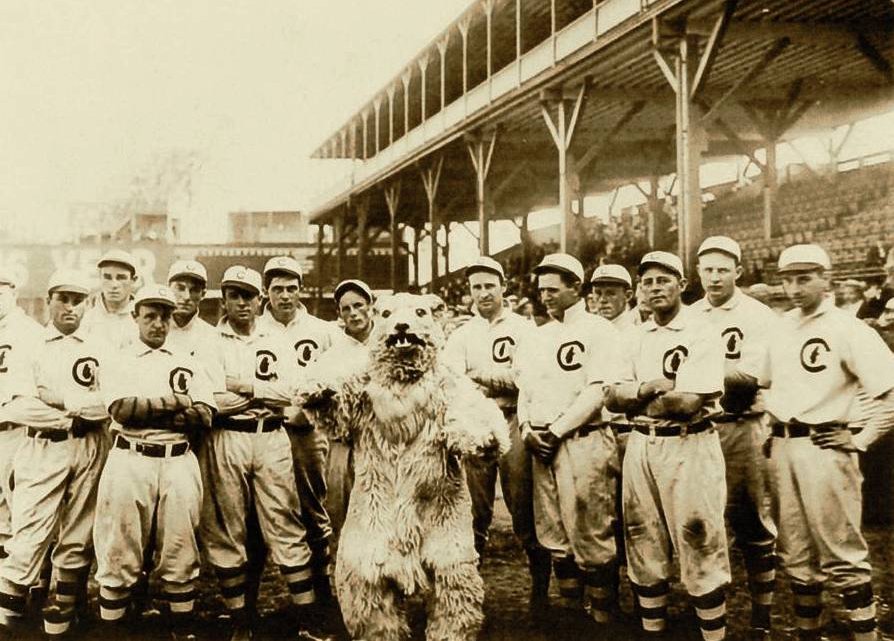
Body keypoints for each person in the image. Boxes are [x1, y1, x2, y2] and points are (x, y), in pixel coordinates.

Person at [761, 244, 894, 641]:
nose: (795, 287)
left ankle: (866, 637)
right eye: (788, 279)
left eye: (805, 278)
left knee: (842, 552)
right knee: (796, 554)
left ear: (826, 279)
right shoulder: (780, 326)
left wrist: (861, 438)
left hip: (825, 446)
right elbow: (766, 385)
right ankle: (808, 634)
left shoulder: (849, 328)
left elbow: (890, 392)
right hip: (783, 446)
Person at [604, 251, 730, 641]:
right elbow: (610, 396)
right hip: (642, 443)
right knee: (643, 541)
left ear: (682, 284)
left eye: (663, 280)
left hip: (689, 445)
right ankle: (653, 632)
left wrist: (636, 394)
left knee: (698, 539)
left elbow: (687, 403)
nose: (655, 287)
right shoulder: (634, 335)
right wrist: (649, 388)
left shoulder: (701, 330)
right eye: (648, 282)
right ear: (639, 289)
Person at [201, 266, 331, 641]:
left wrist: (243, 387)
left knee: (286, 523)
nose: (242, 302)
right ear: (224, 299)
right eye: (234, 295)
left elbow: (292, 393)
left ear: (260, 299)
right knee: (229, 528)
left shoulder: (275, 339)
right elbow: (213, 400)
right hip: (226, 438)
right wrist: (263, 393)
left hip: (272, 436)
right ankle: (241, 621)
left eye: (249, 295)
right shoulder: (211, 342)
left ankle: (308, 618)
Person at [93, 284, 215, 641]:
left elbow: (205, 414)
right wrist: (177, 402)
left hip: (178, 461)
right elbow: (122, 410)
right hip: (130, 459)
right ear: (136, 317)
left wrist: (154, 408)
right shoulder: (119, 357)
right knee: (118, 551)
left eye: (165, 315)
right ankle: (114, 634)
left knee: (181, 551)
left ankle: (182, 632)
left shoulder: (187, 359)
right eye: (150, 315)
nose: (159, 323)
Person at [0, 270, 108, 639]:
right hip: (41, 445)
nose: (70, 307)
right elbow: (16, 406)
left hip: (88, 447)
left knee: (77, 536)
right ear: (49, 301)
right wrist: (67, 418)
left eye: (78, 300)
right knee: (27, 534)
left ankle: (62, 620)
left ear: (88, 304)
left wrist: (60, 399)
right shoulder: (31, 342)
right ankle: (9, 621)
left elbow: (106, 405)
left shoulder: (99, 345)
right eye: (63, 298)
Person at [515, 253, 622, 625]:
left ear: (576, 287)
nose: (546, 296)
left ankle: (605, 620)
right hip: (541, 445)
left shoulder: (599, 330)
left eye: (553, 289)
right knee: (554, 532)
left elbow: (598, 392)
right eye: (542, 290)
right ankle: (574, 616)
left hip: (583, 439)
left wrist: (556, 431)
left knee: (591, 530)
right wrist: (527, 428)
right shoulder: (536, 335)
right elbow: (523, 390)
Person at [443, 257, 550, 613]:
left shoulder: (524, 328)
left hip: (514, 416)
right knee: (474, 510)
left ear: (503, 287)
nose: (483, 293)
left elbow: (526, 379)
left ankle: (540, 590)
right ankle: (468, 591)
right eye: (476, 287)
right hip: (476, 420)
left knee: (523, 506)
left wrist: (483, 376)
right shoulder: (461, 333)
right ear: (469, 292)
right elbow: (453, 381)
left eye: (490, 285)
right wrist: (493, 376)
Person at [693, 236, 778, 638]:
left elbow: (749, 379)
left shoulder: (758, 315)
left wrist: (691, 377)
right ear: (697, 273)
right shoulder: (689, 314)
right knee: (702, 520)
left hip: (741, 425)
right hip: (697, 429)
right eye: (707, 269)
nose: (714, 277)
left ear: (739, 272)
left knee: (751, 522)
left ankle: (762, 613)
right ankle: (712, 612)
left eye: (722, 269)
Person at [256, 256, 338, 604]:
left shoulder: (322, 331)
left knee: (313, 506)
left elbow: (337, 380)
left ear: (301, 290)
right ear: (266, 292)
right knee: (256, 512)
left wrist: (309, 411)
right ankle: (249, 600)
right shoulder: (253, 329)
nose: (285, 296)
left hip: (307, 431)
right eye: (278, 289)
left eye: (292, 288)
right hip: (263, 430)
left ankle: (322, 590)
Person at [305, 279, 375, 546]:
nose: (353, 313)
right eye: (346, 309)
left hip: (385, 443)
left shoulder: (387, 345)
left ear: (371, 307)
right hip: (346, 443)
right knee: (343, 515)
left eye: (359, 305)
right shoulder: (332, 356)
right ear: (339, 314)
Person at [0, 268, 43, 567]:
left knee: (23, 514)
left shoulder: (29, 332)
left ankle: (31, 595)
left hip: (17, 433)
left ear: (13, 293)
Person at [82, 249, 139, 350]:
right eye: (107, 277)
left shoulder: (143, 317)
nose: (114, 285)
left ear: (133, 280)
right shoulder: (85, 317)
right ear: (99, 277)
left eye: (121, 278)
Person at [588, 264, 637, 330]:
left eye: (610, 293)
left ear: (627, 296)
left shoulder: (638, 334)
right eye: (598, 293)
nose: (603, 300)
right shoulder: (587, 331)